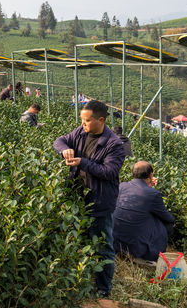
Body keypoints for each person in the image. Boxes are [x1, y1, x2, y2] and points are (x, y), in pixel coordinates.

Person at [53, 99, 126, 298]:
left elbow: (109, 172)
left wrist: (82, 162)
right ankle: (81, 281)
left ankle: (103, 290)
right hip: (78, 199)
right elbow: (59, 141)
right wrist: (64, 150)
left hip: (100, 202)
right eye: (81, 120)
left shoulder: (114, 144)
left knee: (102, 246)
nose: (82, 124)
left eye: (86, 121)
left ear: (100, 120)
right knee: (78, 241)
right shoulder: (80, 132)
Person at [114, 161, 175, 263]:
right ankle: (151, 253)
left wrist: (148, 186)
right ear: (151, 175)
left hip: (116, 240)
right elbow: (167, 217)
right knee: (168, 224)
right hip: (135, 245)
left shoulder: (122, 186)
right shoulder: (153, 194)